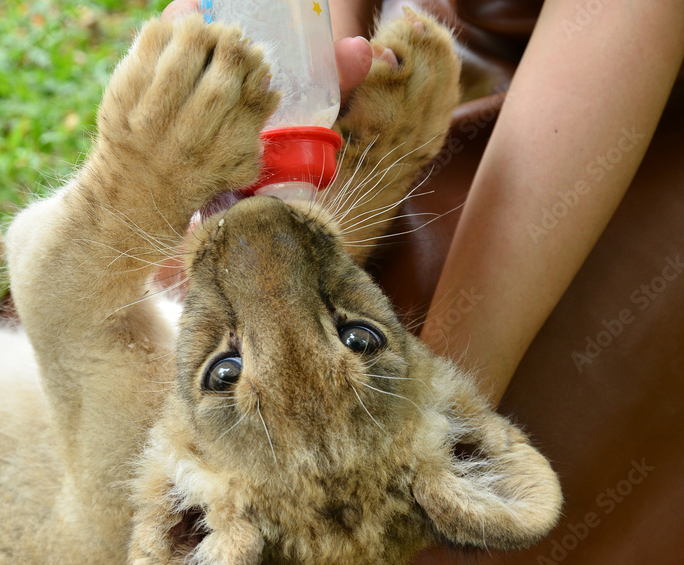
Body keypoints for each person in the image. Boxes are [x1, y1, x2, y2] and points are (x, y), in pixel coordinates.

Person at [163, 0, 684, 405]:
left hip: (608, 81)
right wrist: (304, 74)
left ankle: (445, 404)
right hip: (407, 46)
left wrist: (454, 393)